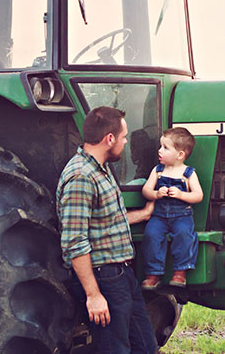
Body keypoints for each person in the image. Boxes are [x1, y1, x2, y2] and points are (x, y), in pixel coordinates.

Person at [56, 106, 157, 354]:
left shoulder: (101, 170)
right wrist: (94, 295)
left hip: (122, 274)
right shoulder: (81, 176)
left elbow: (107, 220)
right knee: (114, 349)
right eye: (123, 137)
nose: (125, 143)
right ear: (109, 139)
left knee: (145, 346)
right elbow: (74, 241)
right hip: (104, 278)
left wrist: (143, 214)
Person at [140, 127, 203, 289]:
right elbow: (146, 190)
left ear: (180, 155)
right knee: (151, 235)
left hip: (182, 216)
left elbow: (198, 195)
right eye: (161, 146)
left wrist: (182, 195)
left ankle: (180, 272)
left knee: (184, 235)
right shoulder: (158, 171)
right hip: (159, 216)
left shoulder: (188, 173)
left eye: (165, 148)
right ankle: (153, 274)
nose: (159, 150)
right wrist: (156, 194)